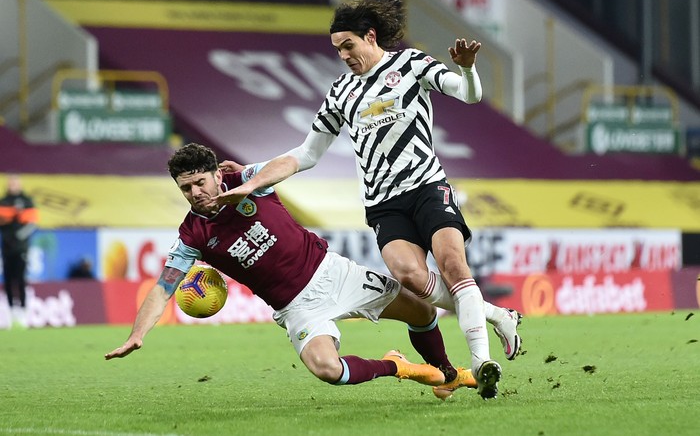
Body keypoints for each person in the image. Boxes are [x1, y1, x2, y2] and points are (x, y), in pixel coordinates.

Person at [215, 0, 522, 399]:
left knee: (452, 263)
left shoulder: (412, 64)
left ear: (371, 37)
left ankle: (482, 361)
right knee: (409, 275)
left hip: (427, 186)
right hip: (384, 204)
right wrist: (252, 178)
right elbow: (306, 154)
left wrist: (467, 68)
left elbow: (470, 94)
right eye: (337, 49)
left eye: (347, 45)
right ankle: (497, 315)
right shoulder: (341, 92)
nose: (343, 55)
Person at [106, 143, 480, 396]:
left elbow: (286, 163)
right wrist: (138, 334)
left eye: (200, 182)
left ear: (217, 175)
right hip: (297, 307)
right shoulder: (191, 234)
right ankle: (398, 366)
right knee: (327, 370)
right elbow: (163, 288)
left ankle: (445, 373)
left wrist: (251, 183)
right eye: (185, 189)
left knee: (423, 310)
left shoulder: (248, 182)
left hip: (333, 273)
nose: (195, 194)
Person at [0, 174, 39, 327]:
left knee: (21, 279)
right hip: (6, 247)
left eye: (15, 182)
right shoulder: (3, 201)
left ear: (19, 184)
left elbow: (32, 224)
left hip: (21, 247)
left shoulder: (27, 201)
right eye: (11, 183)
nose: (13, 185)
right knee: (8, 279)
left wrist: (18, 235)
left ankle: (23, 311)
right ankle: (10, 312)